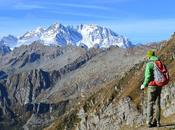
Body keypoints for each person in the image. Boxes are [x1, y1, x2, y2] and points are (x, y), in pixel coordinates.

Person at [140, 50, 162, 128]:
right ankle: (158, 122)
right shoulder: (159, 62)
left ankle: (149, 122)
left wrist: (144, 85)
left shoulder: (149, 64)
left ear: (149, 56)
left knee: (150, 103)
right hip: (159, 85)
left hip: (152, 86)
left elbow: (148, 76)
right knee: (157, 103)